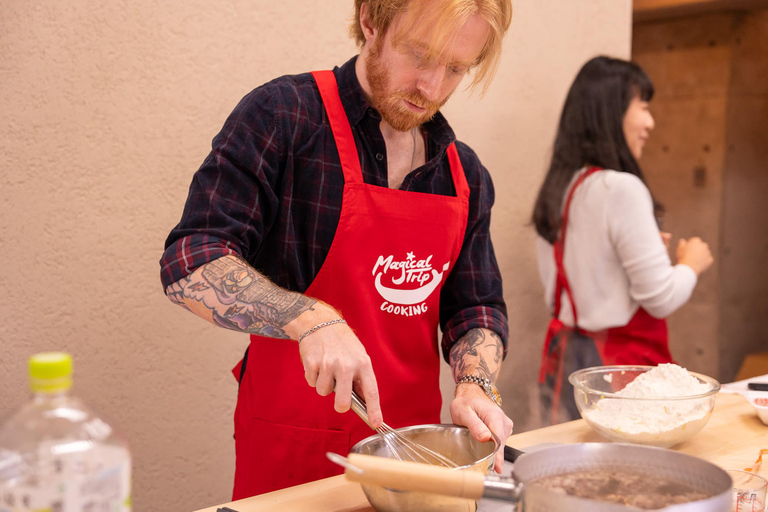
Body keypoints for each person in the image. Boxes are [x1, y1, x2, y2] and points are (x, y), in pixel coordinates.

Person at [159, 0, 514, 499]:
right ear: (371, 20)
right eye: (419, 55)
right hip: (291, 449)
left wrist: (476, 382)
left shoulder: (464, 174)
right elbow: (191, 260)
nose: (432, 88)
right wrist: (312, 319)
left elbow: (476, 308)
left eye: (456, 68)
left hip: (409, 458)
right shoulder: (284, 117)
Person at [531, 56, 714, 427]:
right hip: (616, 367)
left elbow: (589, 270)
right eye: (643, 107)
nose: (650, 122)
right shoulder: (621, 188)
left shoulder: (563, 185)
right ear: (611, 112)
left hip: (566, 358)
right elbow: (660, 298)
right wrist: (690, 264)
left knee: (572, 451)